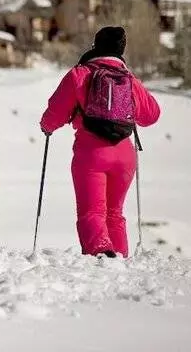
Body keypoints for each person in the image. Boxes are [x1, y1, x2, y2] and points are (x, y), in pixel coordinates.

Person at [40, 26, 160, 258]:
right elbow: (152, 114)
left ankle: (101, 254)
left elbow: (56, 113)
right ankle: (120, 259)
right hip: (125, 155)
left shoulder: (80, 74)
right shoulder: (129, 79)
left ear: (95, 46)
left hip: (91, 153)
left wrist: (46, 127)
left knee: (92, 211)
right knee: (115, 213)